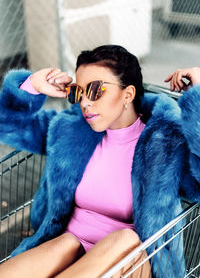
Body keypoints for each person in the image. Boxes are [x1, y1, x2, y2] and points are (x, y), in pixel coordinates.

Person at [0, 44, 199, 278]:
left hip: (131, 260)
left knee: (125, 238)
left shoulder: (166, 143)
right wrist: (32, 85)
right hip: (71, 245)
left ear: (128, 94)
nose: (85, 102)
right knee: (61, 245)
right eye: (78, 92)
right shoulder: (70, 129)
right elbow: (8, 125)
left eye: (95, 91)